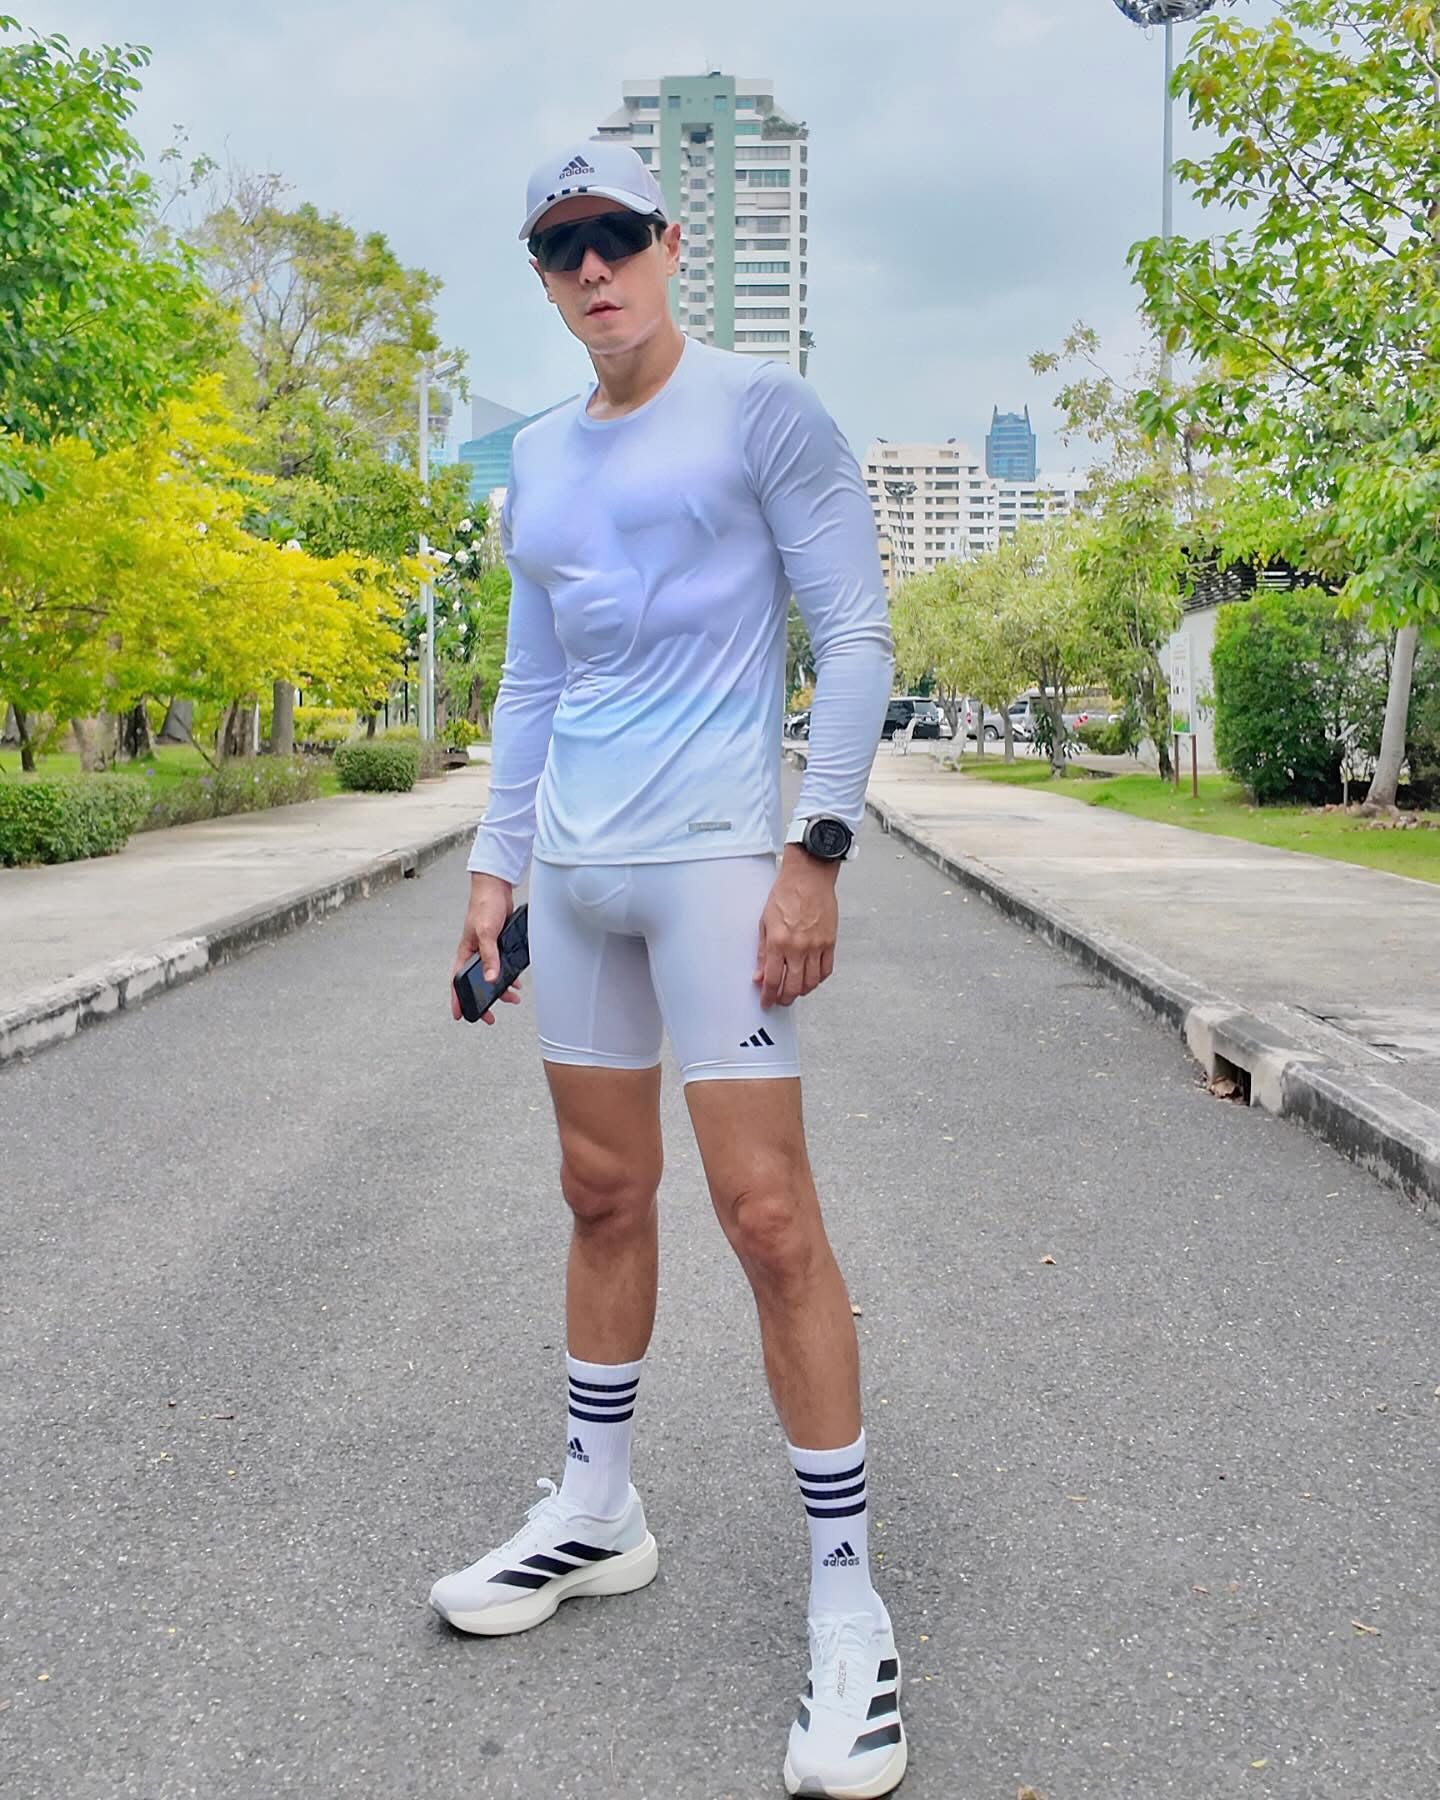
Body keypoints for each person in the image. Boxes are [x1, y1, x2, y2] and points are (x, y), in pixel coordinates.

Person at [429, 140, 904, 1799]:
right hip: (577, 874)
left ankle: (847, 1600)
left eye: (617, 236)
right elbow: (531, 684)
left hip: (717, 864)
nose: (594, 269)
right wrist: (494, 869)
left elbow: (856, 632)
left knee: (767, 1218)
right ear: (542, 273)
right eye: (563, 248)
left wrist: (816, 847)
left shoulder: (763, 412)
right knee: (598, 1194)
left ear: (669, 242)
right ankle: (596, 1507)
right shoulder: (539, 457)